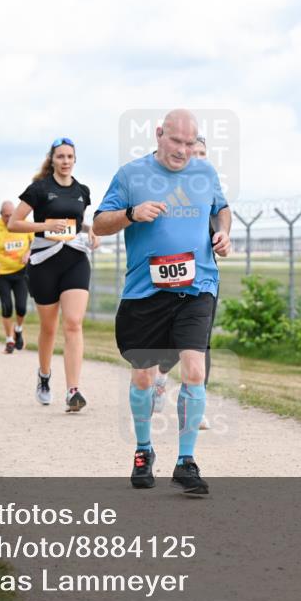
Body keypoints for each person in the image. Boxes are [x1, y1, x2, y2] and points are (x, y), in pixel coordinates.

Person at [93, 110, 231, 495]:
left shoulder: (204, 173)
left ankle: (186, 462)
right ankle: (143, 450)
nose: (184, 151)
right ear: (159, 135)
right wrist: (132, 214)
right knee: (143, 377)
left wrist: (222, 233)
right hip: (145, 292)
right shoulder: (130, 175)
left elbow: (221, 208)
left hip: (197, 285)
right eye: (176, 142)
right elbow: (99, 224)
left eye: (191, 144)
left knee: (194, 370)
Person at [8, 137, 99, 411]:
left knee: (73, 323)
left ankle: (73, 391)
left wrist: (91, 231)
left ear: (75, 159)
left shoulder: (82, 190)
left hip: (74, 259)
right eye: (61, 157)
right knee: (49, 328)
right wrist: (45, 224)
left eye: (70, 157)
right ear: (53, 160)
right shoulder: (38, 189)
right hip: (45, 261)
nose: (66, 162)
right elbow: (14, 223)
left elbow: (75, 222)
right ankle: (44, 376)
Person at [153, 135, 215, 428]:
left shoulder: (210, 190)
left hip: (203, 280)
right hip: (169, 274)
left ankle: (195, 404)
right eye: (194, 153)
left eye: (203, 153)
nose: (198, 158)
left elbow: (220, 227)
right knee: (171, 341)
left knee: (201, 344)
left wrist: (223, 240)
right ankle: (160, 377)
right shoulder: (171, 190)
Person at [0, 201, 33, 353]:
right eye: (6, 216)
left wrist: (28, 252)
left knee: (22, 307)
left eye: (12, 215)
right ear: (1, 215)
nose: (9, 218)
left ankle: (18, 329)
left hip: (21, 271)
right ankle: (9, 340)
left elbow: (35, 240)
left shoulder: (23, 223)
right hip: (2, 273)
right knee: (7, 307)